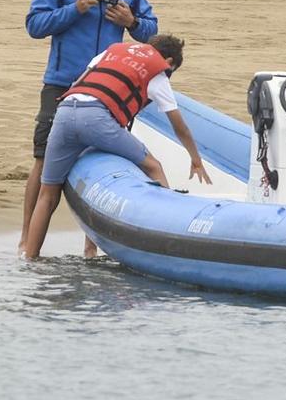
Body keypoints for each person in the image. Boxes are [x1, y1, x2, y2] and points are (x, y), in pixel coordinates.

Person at [23, 0, 157, 248]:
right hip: (61, 84)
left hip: (110, 91)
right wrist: (74, 9)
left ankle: (91, 250)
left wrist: (132, 22)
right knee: (43, 161)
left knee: (104, 160)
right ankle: (26, 240)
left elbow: (151, 31)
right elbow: (34, 25)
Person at [21, 33, 211, 259]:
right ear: (169, 62)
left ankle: (29, 259)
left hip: (64, 113)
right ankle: (167, 236)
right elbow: (180, 127)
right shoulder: (158, 74)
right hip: (97, 119)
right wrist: (196, 160)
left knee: (47, 195)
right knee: (153, 166)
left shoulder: (111, 51)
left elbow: (82, 81)